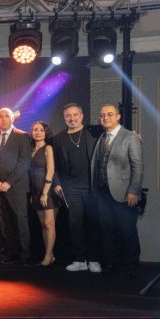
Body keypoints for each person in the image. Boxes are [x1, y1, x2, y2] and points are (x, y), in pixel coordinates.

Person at [92, 104, 143, 278]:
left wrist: (133, 191)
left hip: (124, 193)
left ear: (118, 116)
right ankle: (110, 265)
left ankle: (131, 267)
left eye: (110, 114)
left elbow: (138, 166)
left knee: (127, 231)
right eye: (102, 115)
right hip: (102, 193)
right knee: (107, 231)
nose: (105, 117)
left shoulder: (130, 136)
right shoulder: (101, 136)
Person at [52, 103, 102, 273]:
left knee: (93, 224)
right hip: (71, 190)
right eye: (68, 115)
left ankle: (93, 259)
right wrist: (57, 183)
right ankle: (79, 259)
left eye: (75, 115)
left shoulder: (94, 132)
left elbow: (114, 135)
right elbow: (54, 166)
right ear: (64, 118)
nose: (72, 118)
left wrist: (134, 136)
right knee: (75, 226)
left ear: (81, 116)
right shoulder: (58, 139)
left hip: (92, 188)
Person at [0, 107, 32, 265]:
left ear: (13, 119)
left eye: (7, 116)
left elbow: (24, 162)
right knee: (5, 222)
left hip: (16, 186)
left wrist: (8, 182)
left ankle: (25, 255)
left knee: (20, 221)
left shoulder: (23, 136)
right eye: (0, 116)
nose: (3, 119)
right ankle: (11, 252)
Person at [30, 121, 57, 267]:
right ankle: (50, 254)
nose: (38, 132)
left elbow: (51, 171)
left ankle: (48, 255)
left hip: (47, 191)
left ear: (46, 133)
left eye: (41, 130)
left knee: (49, 224)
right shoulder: (31, 149)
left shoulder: (48, 148)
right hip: (35, 191)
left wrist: (45, 193)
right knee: (43, 225)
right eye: (35, 130)